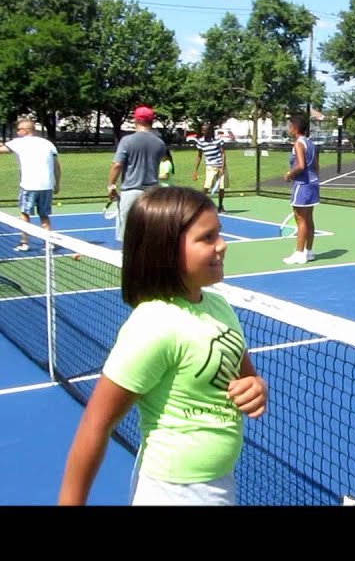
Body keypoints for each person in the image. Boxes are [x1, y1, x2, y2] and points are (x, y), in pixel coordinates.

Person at [57, 187, 268, 506]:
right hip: (175, 492)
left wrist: (256, 386)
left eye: (219, 234)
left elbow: (243, 376)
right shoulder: (154, 325)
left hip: (218, 482)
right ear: (166, 250)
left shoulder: (219, 307)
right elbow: (95, 424)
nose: (222, 246)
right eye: (207, 238)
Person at [0, 118, 61, 252]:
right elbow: (57, 167)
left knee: (25, 214)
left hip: (29, 185)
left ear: (26, 130)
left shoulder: (19, 143)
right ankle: (48, 243)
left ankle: (24, 243)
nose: (17, 132)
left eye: (19, 129)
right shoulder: (48, 144)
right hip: (47, 186)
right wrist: (57, 184)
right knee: (44, 216)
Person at [107, 105, 167, 244]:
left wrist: (111, 186)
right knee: (149, 233)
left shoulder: (127, 141)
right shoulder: (160, 143)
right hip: (152, 193)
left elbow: (117, 165)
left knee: (127, 235)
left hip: (131, 192)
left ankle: (128, 264)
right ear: (152, 121)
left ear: (136, 120)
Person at [282, 114, 319, 265]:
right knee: (309, 219)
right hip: (312, 184)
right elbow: (316, 166)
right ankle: (309, 252)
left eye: (290, 126)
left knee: (301, 220)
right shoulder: (311, 143)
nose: (288, 129)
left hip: (302, 185)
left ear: (295, 128)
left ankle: (298, 254)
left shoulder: (298, 144)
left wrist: (289, 174)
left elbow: (301, 165)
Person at [190, 123, 227, 213]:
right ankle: (199, 206)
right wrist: (195, 171)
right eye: (202, 129)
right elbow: (199, 156)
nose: (203, 131)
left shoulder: (218, 140)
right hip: (210, 166)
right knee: (207, 186)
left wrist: (222, 167)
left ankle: (220, 206)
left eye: (205, 130)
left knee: (221, 188)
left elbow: (223, 153)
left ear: (210, 130)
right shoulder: (201, 141)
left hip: (220, 166)